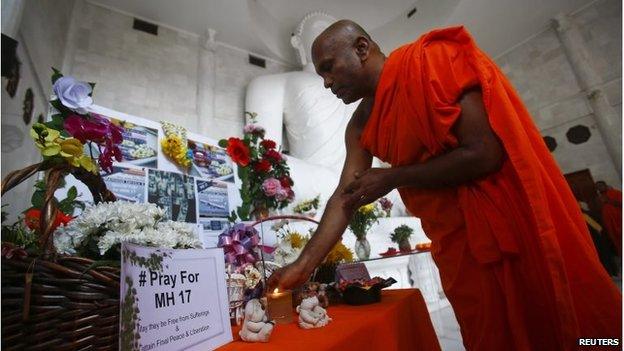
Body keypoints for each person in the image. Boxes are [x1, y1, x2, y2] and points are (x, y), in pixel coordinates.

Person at [267, 20, 621, 350]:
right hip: (456, 247)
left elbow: (484, 152)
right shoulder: (359, 126)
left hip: (510, 227)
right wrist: (303, 265)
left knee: (557, 328)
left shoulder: (431, 60)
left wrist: (395, 177)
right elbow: (345, 198)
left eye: (329, 67)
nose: (326, 83)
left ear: (361, 48)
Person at [597, 180, 622, 257]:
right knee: (617, 241)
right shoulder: (600, 197)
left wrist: (609, 201)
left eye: (600, 186)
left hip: (620, 221)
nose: (599, 188)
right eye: (598, 187)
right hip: (611, 225)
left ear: (605, 185)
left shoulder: (616, 193)